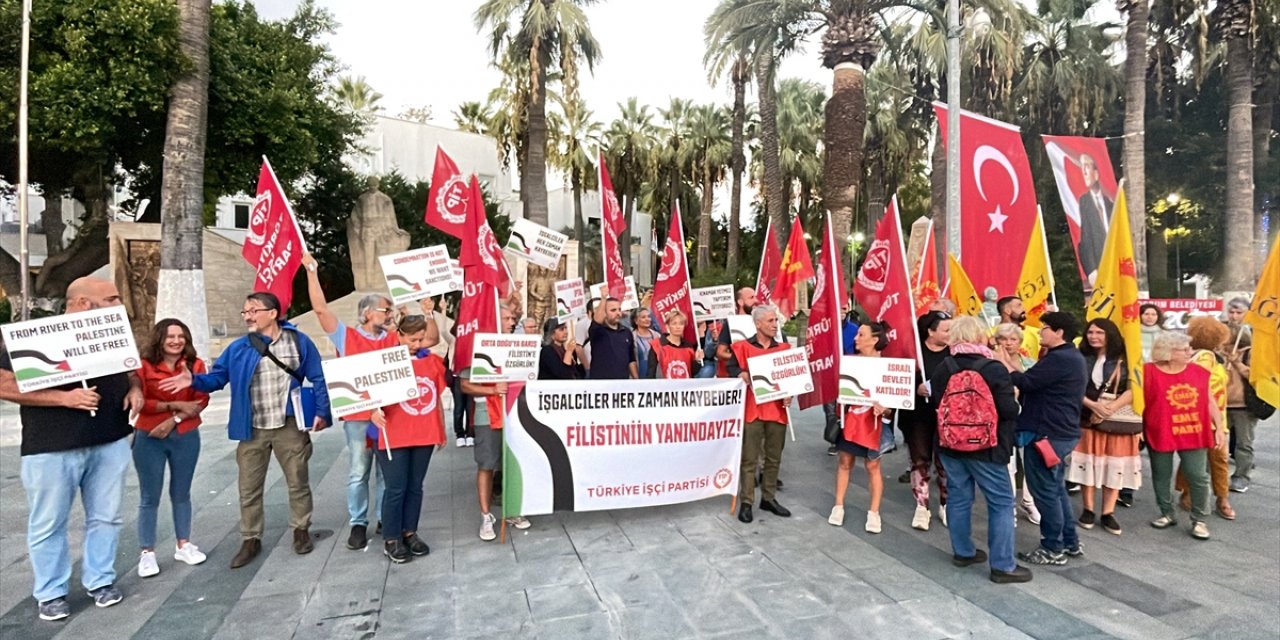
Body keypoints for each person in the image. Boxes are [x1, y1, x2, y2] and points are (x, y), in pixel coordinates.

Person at [0, 277, 145, 620]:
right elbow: (4, 384)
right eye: (111, 299)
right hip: (51, 447)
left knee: (107, 517)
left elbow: (131, 368)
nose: (118, 304)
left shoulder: (113, 332)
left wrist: (136, 387)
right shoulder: (34, 337)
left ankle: (101, 581)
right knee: (49, 523)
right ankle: (51, 592)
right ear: (83, 304)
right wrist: (64, 398)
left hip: (110, 440)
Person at [160, 292, 331, 568]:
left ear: (273, 313)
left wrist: (322, 411)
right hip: (252, 428)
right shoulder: (240, 347)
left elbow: (318, 376)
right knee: (248, 487)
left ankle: (301, 529)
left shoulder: (298, 341)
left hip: (288, 424)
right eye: (245, 312)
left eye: (253, 310)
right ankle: (251, 538)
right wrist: (193, 380)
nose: (248, 316)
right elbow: (217, 378)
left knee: (298, 481)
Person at [303, 254, 405, 551]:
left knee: (387, 470)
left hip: (388, 415)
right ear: (368, 313)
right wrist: (312, 272)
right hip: (360, 417)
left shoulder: (392, 338)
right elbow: (320, 309)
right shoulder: (346, 336)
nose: (389, 314)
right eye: (385, 310)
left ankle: (385, 517)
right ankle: (358, 522)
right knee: (359, 470)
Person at [929, 316, 1031, 584]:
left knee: (959, 497)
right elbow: (1008, 410)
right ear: (979, 337)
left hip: (950, 444)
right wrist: (1017, 400)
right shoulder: (993, 368)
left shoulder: (944, 367)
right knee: (1000, 503)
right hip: (988, 446)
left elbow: (938, 404)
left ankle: (963, 552)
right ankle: (1003, 565)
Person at [133, 319, 211, 578]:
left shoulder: (194, 365)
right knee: (149, 496)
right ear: (159, 339)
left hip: (185, 434)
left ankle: (184, 544)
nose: (176, 341)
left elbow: (201, 399)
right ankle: (147, 553)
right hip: (149, 436)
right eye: (170, 336)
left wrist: (174, 419)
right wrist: (175, 405)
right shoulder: (144, 366)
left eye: (181, 336)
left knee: (181, 492)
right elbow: (142, 402)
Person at [369, 315, 448, 563]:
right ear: (399, 335)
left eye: (421, 339)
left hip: (423, 431)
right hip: (393, 432)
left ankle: (410, 531)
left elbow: (435, 397)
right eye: (412, 339)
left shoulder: (432, 362)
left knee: (415, 486)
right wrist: (372, 411)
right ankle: (391, 537)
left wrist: (441, 430)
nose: (417, 344)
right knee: (396, 487)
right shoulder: (382, 360)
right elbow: (364, 392)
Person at [1011, 312, 1087, 566]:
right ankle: (1069, 542)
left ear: (1059, 333)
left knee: (1045, 492)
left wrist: (1004, 365)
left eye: (1045, 328)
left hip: (1046, 434)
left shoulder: (1061, 358)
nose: (1040, 331)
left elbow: (1027, 382)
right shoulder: (1068, 357)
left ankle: (1052, 547)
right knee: (1055, 491)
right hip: (1059, 432)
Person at [1144, 331, 1226, 540]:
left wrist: (1219, 427)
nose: (1190, 352)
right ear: (1168, 353)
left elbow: (1209, 401)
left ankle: (1199, 519)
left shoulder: (1199, 372)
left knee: (1198, 476)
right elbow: (1139, 402)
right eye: (1184, 349)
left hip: (1194, 431)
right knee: (1161, 474)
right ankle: (1166, 512)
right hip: (1159, 430)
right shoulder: (1148, 372)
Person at [1066, 318, 1141, 536]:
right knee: (1087, 463)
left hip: (1117, 419)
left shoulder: (1126, 357)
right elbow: (1071, 385)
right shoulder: (1081, 356)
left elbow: (1135, 386)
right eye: (1090, 332)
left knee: (1114, 465)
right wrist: (1092, 405)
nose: (1094, 336)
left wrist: (1112, 407)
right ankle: (1088, 508)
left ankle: (1108, 512)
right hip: (1086, 416)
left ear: (1110, 334)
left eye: (1099, 332)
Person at [460, 319, 531, 541]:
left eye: (512, 319)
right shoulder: (477, 347)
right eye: (507, 318)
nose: (511, 323)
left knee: (512, 462)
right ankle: (485, 515)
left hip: (514, 412)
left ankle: (512, 509)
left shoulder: (518, 346)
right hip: (487, 414)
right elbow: (464, 385)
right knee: (487, 464)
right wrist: (491, 388)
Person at [727, 305, 793, 523]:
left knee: (774, 458)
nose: (775, 325)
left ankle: (769, 497)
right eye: (771, 321)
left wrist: (790, 394)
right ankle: (747, 501)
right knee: (749, 459)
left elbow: (791, 378)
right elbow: (731, 367)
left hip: (777, 411)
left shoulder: (784, 348)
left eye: (776, 321)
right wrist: (740, 372)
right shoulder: (742, 347)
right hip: (752, 410)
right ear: (757, 324)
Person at [828, 322, 894, 533]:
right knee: (845, 462)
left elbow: (893, 409)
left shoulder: (889, 367)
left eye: (861, 334)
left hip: (874, 424)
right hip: (852, 421)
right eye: (857, 334)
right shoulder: (850, 363)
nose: (856, 338)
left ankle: (874, 512)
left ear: (875, 340)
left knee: (873, 466)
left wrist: (884, 409)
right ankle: (838, 506)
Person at [1177, 317, 1235, 520]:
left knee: (1207, 458)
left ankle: (1212, 495)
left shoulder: (1213, 357)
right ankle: (1218, 498)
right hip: (1204, 416)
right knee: (1212, 459)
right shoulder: (1205, 356)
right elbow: (1198, 381)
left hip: (1214, 416)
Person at [900, 310, 953, 531]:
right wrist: (915, 388)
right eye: (945, 329)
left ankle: (946, 503)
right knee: (920, 460)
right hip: (917, 416)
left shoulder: (955, 353)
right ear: (930, 331)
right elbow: (898, 379)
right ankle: (922, 506)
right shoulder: (913, 352)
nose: (951, 333)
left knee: (946, 463)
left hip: (948, 416)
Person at [992, 323, 1040, 526]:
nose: (1008, 343)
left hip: (1027, 417)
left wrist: (1010, 364)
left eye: (1013, 339)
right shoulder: (990, 363)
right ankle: (1009, 504)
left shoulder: (1027, 361)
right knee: (1008, 465)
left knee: (1030, 462)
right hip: (1002, 419)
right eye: (1003, 339)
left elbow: (1032, 382)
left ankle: (1028, 501)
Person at [1224, 322, 1256, 493]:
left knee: (1243, 444)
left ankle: (1241, 477)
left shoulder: (1250, 353)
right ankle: (1214, 475)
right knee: (1215, 442)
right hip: (1221, 404)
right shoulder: (1217, 353)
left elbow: (1254, 376)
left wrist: (1236, 363)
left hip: (1244, 406)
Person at [1076, 152, 1114, 286]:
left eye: (1087, 166)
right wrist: (1092, 270)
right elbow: (1085, 239)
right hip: (1097, 269)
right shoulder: (1084, 201)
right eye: (1082, 168)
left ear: (1096, 174)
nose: (1084, 171)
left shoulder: (1111, 204)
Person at [586, 298, 637, 380]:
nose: (618, 313)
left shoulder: (627, 332)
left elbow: (631, 359)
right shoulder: (597, 331)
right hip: (601, 385)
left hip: (622, 385)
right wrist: (603, 297)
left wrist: (636, 380)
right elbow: (596, 321)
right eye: (613, 310)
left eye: (619, 309)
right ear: (604, 313)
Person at [648, 310, 702, 378]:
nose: (678, 327)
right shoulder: (657, 345)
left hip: (684, 387)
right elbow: (651, 372)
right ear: (667, 325)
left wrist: (697, 360)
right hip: (664, 387)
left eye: (681, 323)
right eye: (674, 323)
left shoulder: (688, 346)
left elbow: (692, 372)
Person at [995, 296, 1040, 362]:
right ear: (1007, 310)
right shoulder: (990, 333)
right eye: (1019, 306)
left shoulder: (1037, 332)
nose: (1024, 309)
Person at [632, 308, 657, 378]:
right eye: (643, 317)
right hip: (638, 378)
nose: (647, 319)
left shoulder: (657, 336)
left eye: (649, 316)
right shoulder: (631, 337)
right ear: (636, 321)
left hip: (655, 378)